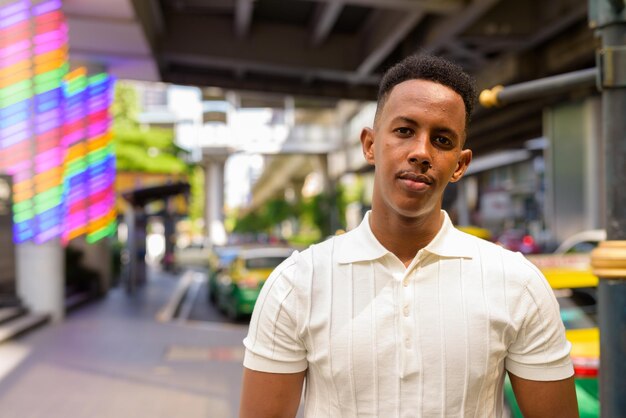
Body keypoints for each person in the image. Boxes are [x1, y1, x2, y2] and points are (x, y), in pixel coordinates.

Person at [239, 55, 578, 418]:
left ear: (460, 164)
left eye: (442, 140)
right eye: (404, 131)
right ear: (370, 145)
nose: (421, 152)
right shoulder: (296, 284)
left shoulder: (519, 284)